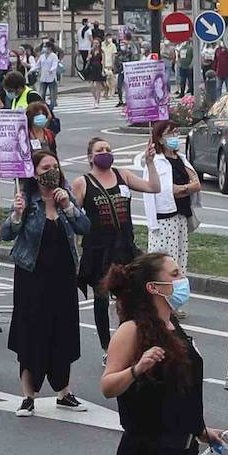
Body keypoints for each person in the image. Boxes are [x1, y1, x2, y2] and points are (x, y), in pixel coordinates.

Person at [101, 252, 225, 455]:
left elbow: (179, 392)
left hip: (184, 452)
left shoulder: (173, 325)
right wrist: (136, 368)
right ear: (154, 287)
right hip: (147, 454)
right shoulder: (132, 330)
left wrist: (202, 429)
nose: (183, 279)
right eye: (175, 274)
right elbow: (107, 386)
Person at [0, 150, 91, 415]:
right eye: (44, 168)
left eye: (54, 166)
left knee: (63, 330)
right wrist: (16, 215)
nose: (51, 171)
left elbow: (84, 226)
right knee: (31, 332)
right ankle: (29, 396)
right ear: (34, 173)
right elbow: (6, 234)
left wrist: (69, 207)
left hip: (62, 276)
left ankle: (64, 391)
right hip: (31, 276)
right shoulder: (27, 199)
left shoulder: (66, 195)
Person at [72, 138, 159, 357]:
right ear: (90, 157)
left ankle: (128, 341)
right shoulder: (83, 182)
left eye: (108, 149)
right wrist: (74, 253)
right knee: (101, 298)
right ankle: (106, 347)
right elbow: (72, 220)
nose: (105, 153)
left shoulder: (123, 175)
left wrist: (150, 163)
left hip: (124, 247)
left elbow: (153, 187)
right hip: (98, 249)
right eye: (100, 150)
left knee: (129, 297)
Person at [135, 122, 199, 276]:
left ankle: (176, 292)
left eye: (176, 132)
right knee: (163, 265)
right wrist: (184, 188)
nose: (175, 137)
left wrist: (182, 189)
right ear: (160, 139)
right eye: (170, 134)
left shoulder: (181, 159)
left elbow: (196, 184)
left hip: (182, 216)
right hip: (164, 220)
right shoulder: (156, 162)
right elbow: (167, 190)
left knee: (180, 262)